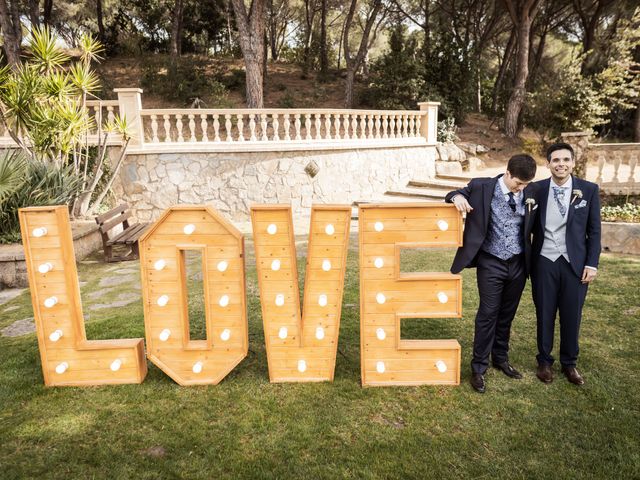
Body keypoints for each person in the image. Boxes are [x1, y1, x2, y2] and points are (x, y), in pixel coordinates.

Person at [445, 155, 538, 393]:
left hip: (518, 262)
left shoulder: (530, 192)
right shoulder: (481, 186)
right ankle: (478, 367)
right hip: (490, 261)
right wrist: (456, 197)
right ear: (507, 173)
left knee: (507, 314)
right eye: (518, 183)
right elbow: (456, 192)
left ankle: (501, 358)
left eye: (525, 185)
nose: (521, 188)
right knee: (487, 313)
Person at [531, 143, 601, 386]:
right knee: (545, 312)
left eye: (565, 160)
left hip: (576, 263)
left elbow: (594, 231)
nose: (561, 164)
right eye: (556, 160)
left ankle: (570, 363)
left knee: (572, 314)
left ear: (573, 162)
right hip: (544, 261)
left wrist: (592, 264)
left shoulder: (589, 190)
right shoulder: (536, 189)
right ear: (548, 164)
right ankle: (544, 361)